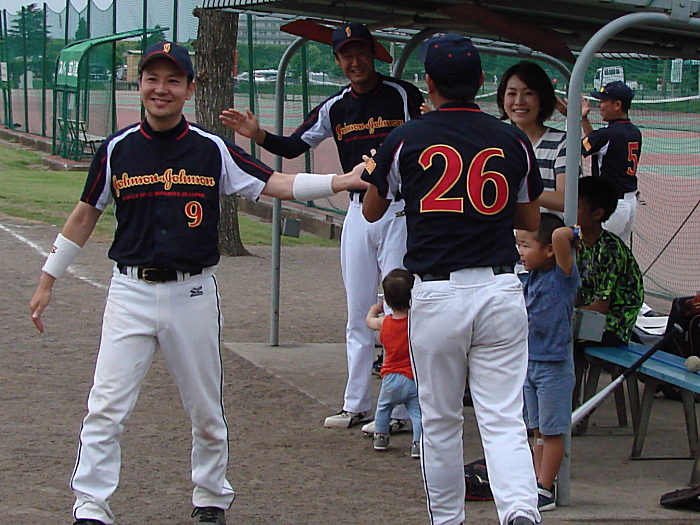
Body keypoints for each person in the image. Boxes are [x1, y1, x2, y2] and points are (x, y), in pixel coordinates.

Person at [28, 41, 366, 525]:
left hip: (192, 293)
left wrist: (339, 180)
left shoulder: (210, 148)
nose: (160, 89)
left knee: (206, 409)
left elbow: (275, 183)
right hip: (130, 292)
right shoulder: (118, 148)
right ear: (139, 84)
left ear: (189, 89)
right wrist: (48, 278)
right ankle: (91, 505)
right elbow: (85, 215)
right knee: (105, 407)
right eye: (152, 78)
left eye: (173, 80)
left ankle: (210, 498)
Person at [362, 34, 543, 525]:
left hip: (438, 292)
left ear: (429, 83)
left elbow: (373, 210)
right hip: (500, 287)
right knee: (502, 416)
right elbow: (529, 219)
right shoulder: (512, 138)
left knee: (441, 420)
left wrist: (380, 171)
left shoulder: (406, 137)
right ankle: (520, 511)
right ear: (481, 81)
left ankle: (447, 519)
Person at [220, 22, 425, 432]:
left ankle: (401, 410)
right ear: (337, 60)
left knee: (399, 308)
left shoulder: (401, 94)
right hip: (357, 210)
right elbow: (294, 146)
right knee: (357, 311)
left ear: (373, 52)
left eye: (360, 52)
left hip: (399, 209)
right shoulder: (336, 106)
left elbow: (423, 139)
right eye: (346, 55)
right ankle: (356, 404)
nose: (355, 61)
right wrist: (257, 133)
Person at [516, 213, 581, 512]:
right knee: (537, 430)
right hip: (530, 362)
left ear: (549, 251)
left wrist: (575, 233)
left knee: (553, 430)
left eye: (527, 246)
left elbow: (558, 236)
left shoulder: (562, 277)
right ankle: (538, 481)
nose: (521, 252)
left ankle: (545, 487)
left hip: (554, 365)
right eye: (519, 245)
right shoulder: (530, 277)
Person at [573, 176, 644, 405]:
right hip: (589, 319)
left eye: (577, 206)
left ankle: (569, 410)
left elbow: (600, 308)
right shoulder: (577, 241)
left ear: (597, 214)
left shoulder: (610, 250)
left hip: (613, 326)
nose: (569, 210)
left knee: (560, 342)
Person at [497, 61, 570, 216]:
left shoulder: (562, 143)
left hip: (546, 230)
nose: (519, 101)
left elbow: (566, 200)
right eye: (512, 93)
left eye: (528, 93)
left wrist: (516, 189)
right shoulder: (495, 141)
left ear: (542, 99)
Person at [365, 269, 422, 458]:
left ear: (388, 301)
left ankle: (381, 437)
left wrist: (375, 308)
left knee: (383, 408)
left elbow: (369, 322)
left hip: (390, 377)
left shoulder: (385, 323)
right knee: (417, 413)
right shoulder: (415, 323)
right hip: (412, 377)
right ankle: (418, 443)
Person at [581, 80, 642, 244]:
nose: (599, 106)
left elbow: (580, 148)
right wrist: (584, 119)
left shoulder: (607, 134)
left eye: (603, 101)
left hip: (611, 206)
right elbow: (595, 143)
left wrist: (572, 115)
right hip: (629, 203)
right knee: (616, 252)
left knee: (594, 249)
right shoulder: (634, 131)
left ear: (617, 105)